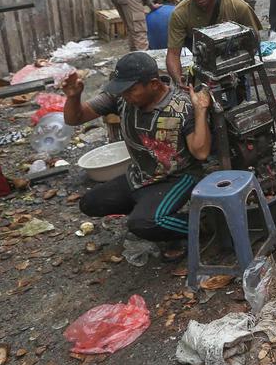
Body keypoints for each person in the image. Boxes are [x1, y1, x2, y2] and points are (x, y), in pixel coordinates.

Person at [64, 52, 210, 245]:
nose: (124, 95)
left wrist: (200, 110)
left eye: (130, 90)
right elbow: (75, 118)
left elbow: (201, 152)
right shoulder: (122, 98)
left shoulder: (181, 106)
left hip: (176, 177)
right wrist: (74, 97)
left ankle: (205, 227)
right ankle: (150, 211)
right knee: (90, 203)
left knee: (145, 223)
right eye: (121, 90)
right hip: (140, 175)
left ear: (154, 84)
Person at [165, 0, 260, 84]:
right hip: (203, 67)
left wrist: (235, 61)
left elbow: (255, 39)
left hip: (235, 64)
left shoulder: (237, 6)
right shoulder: (180, 14)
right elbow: (173, 54)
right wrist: (179, 80)